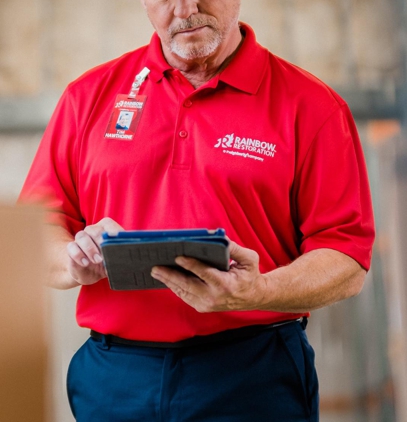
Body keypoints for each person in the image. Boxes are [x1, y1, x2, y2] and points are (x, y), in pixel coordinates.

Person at [19, 0, 375, 420]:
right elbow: (33, 232)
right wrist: (71, 260)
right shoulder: (88, 97)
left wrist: (260, 291)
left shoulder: (312, 106)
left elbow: (346, 255)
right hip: (115, 379)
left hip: (252, 375)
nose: (187, 8)